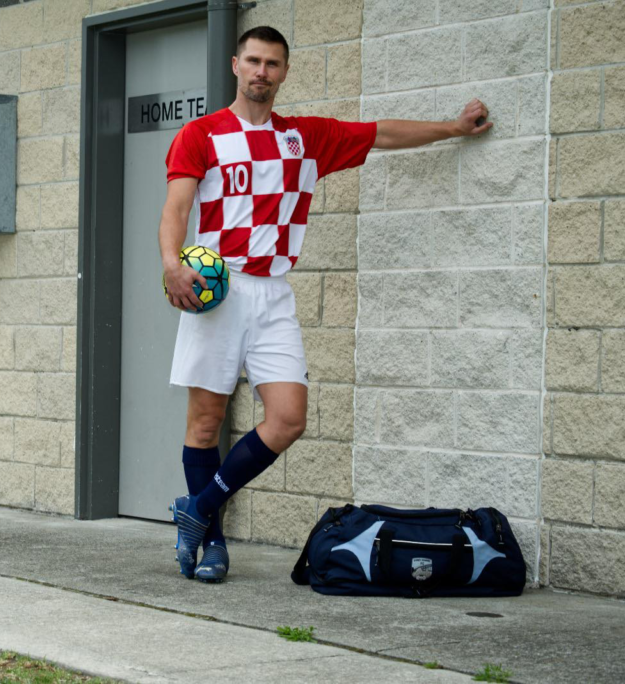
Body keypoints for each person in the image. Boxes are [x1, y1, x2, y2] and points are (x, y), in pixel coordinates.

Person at [160, 25, 493, 583]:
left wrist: (453, 128)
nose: (262, 71)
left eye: (273, 63)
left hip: (274, 293)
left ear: (285, 72)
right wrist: (172, 264)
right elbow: (176, 207)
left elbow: (381, 133)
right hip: (218, 289)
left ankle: (197, 507)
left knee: (289, 418)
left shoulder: (306, 137)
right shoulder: (202, 134)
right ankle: (211, 545)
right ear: (236, 65)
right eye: (253, 61)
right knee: (206, 420)